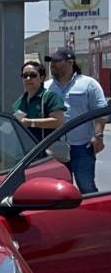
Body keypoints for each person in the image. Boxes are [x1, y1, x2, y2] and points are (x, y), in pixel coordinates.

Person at [45, 47, 108, 194]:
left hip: (82, 147)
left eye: (56, 61)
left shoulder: (89, 84)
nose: (52, 64)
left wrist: (98, 136)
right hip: (54, 148)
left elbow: (100, 112)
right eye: (51, 61)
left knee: (87, 189)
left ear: (70, 62)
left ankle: (94, 217)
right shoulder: (46, 87)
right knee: (58, 193)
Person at [12, 60, 67, 142]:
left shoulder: (50, 97)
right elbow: (10, 127)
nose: (28, 78)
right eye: (25, 75)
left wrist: (31, 123)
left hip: (46, 149)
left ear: (41, 78)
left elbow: (59, 121)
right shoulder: (20, 101)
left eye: (33, 75)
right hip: (26, 151)